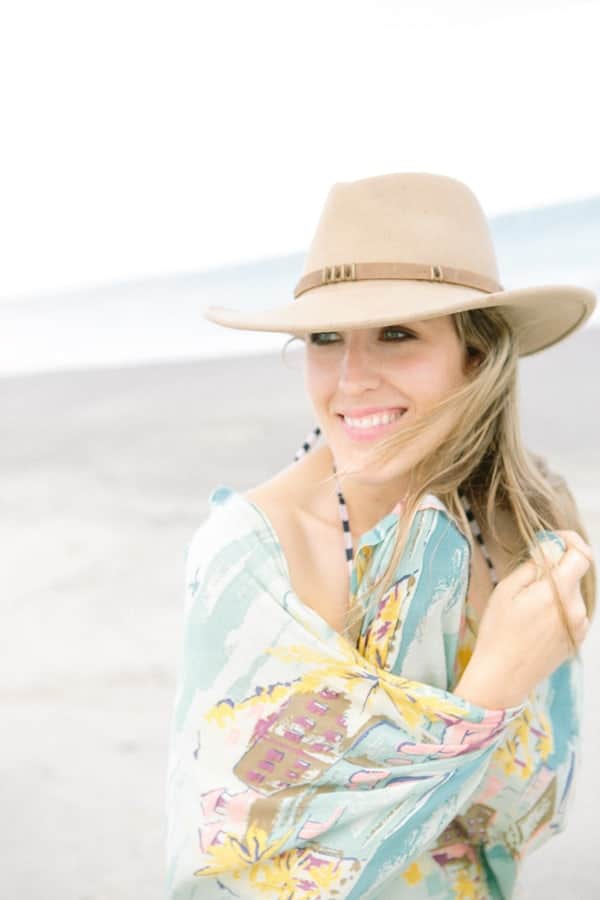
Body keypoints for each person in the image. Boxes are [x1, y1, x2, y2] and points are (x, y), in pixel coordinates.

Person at [165, 172, 596, 899]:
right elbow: (235, 874)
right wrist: (490, 691)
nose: (350, 378)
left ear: (479, 355)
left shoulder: (527, 523)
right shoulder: (254, 558)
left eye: (397, 334)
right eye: (324, 339)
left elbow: (517, 816)